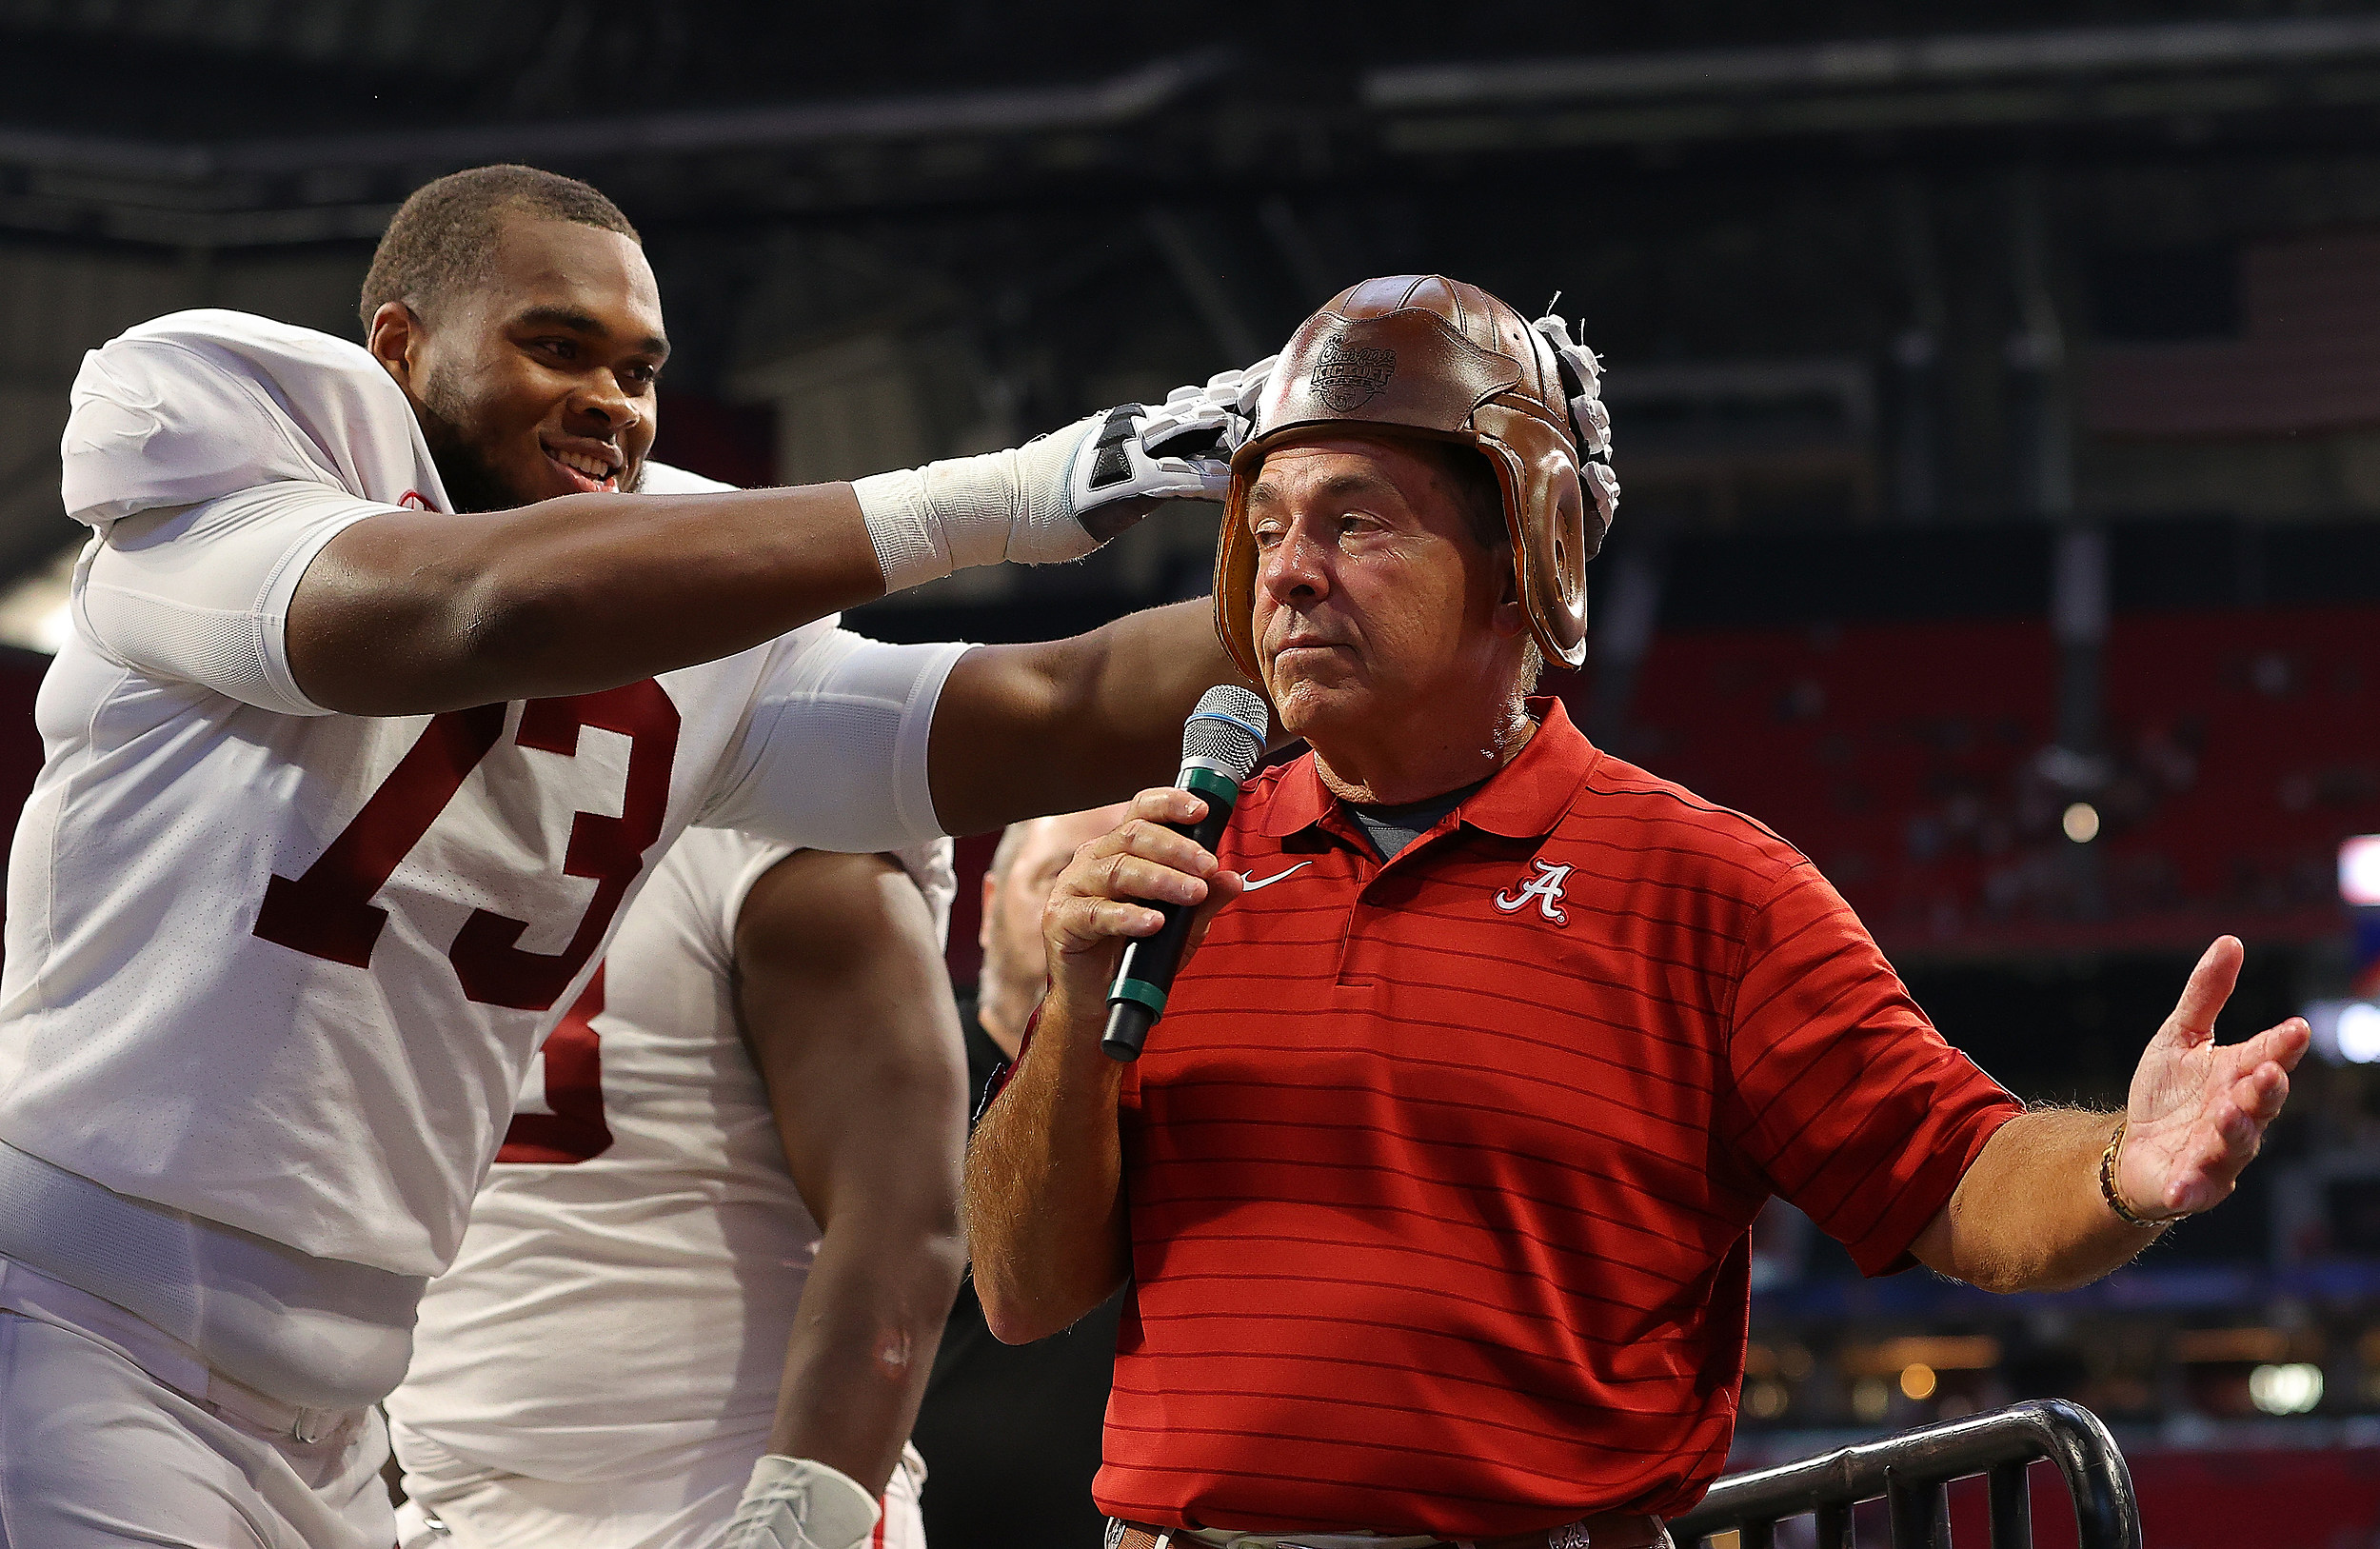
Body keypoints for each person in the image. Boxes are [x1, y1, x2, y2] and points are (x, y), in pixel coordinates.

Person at [0, 164, 1263, 1549]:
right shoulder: (240, 458)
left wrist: (1375, 531)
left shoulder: (693, 630)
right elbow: (483, 613)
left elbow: (1061, 707)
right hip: (74, 1330)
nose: (614, 398)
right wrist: (1014, 496)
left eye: (642, 367)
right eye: (557, 344)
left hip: (344, 1421)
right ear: (400, 348)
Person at [964, 275, 2311, 1549]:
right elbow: (1022, 1290)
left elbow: (1953, 1172)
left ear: (1523, 556)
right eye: (1267, 529)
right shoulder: (1179, 867)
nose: (1290, 573)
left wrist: (2120, 1169)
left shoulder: (1709, 890)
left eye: (1355, 521)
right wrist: (1077, 1006)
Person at [911, 808, 1131, 1549]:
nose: (1096, 902)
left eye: (1125, 877)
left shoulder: (1184, 1100)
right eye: (1059, 874)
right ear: (985, 904)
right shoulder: (897, 1086)